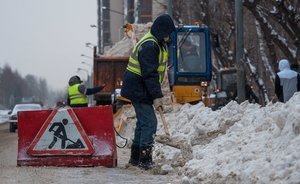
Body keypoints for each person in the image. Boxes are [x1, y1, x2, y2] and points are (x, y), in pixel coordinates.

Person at [121, 14, 175, 170]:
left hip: (139, 86)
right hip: (138, 87)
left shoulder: (156, 42)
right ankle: (145, 159)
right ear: (161, 31)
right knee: (150, 122)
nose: (169, 37)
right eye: (167, 33)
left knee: (143, 122)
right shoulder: (150, 45)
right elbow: (150, 74)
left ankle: (135, 158)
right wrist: (157, 97)